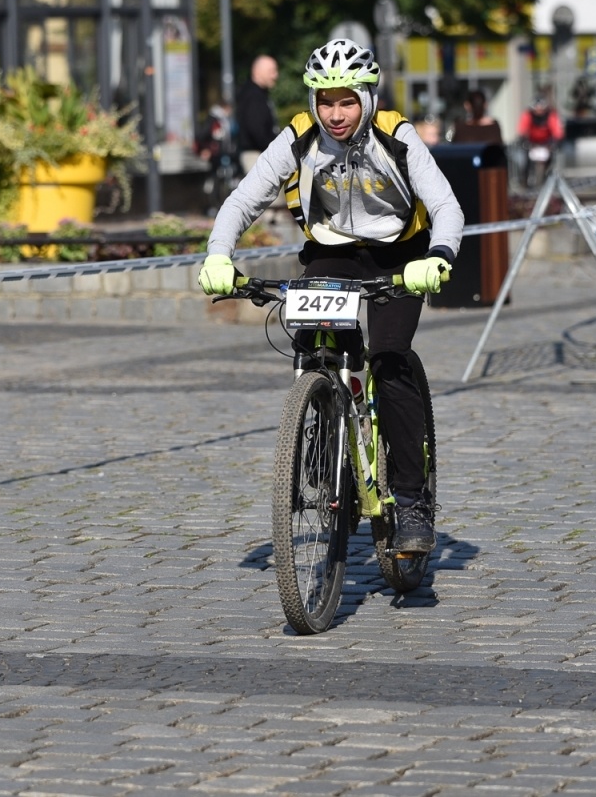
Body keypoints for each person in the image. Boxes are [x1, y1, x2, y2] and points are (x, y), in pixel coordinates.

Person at [197, 40, 463, 555]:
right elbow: (244, 199)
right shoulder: (299, 136)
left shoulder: (396, 134)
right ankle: (323, 434)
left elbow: (446, 205)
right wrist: (217, 255)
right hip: (332, 251)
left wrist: (440, 256)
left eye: (346, 101)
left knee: (389, 359)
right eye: (324, 101)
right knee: (318, 348)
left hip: (399, 254)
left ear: (367, 97)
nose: (334, 114)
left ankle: (410, 500)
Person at [234, 54, 279, 173]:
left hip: (258, 154)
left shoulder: (257, 94)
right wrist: (275, 149)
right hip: (255, 155)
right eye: (271, 71)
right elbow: (256, 129)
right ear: (257, 72)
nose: (275, 75)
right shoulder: (254, 96)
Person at [516, 92, 563, 187]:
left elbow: (557, 132)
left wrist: (555, 141)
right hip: (532, 143)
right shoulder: (527, 115)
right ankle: (524, 182)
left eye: (541, 107)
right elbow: (522, 129)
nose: (539, 110)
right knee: (524, 161)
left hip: (546, 144)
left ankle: (548, 178)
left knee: (552, 161)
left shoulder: (551, 115)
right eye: (536, 107)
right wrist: (523, 139)